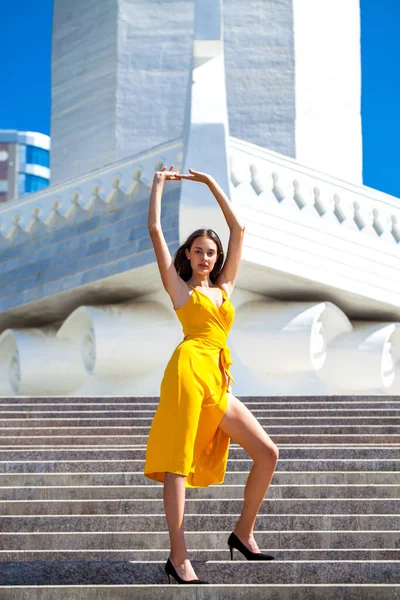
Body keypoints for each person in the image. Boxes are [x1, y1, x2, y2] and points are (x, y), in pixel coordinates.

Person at [144, 165, 279, 584]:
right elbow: (154, 230)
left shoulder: (224, 289)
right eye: (200, 251)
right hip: (187, 372)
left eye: (212, 253)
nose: (207, 257)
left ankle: (243, 533)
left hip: (218, 379)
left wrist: (209, 183)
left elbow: (238, 228)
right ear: (188, 254)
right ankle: (178, 556)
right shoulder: (180, 290)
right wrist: (159, 184)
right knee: (177, 464)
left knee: (267, 453)